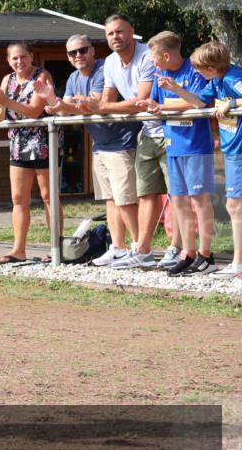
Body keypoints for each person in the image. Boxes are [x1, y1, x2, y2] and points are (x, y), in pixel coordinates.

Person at [81, 15, 178, 269]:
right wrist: (94, 105)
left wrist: (101, 106)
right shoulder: (111, 62)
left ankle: (178, 249)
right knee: (145, 194)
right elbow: (107, 100)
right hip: (147, 132)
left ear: (132, 31)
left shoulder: (148, 55)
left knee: (177, 194)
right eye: (110, 33)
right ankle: (142, 250)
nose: (115, 36)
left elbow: (139, 100)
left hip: (172, 129)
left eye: (120, 31)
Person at [38, 34, 140, 264]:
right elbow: (65, 110)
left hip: (122, 142)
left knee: (126, 200)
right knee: (111, 200)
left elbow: (91, 107)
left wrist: (59, 103)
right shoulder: (74, 77)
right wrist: (55, 104)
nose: (78, 56)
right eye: (72, 53)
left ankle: (139, 249)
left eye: (82, 50)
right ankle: (118, 247)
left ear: (93, 50)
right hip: (100, 145)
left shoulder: (104, 69)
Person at [134, 31, 217, 276]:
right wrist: (151, 107)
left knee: (199, 200)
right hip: (173, 145)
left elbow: (200, 103)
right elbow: (159, 106)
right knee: (179, 200)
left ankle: (206, 254)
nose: (152, 62)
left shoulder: (194, 70)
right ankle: (188, 253)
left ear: (167, 55)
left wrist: (169, 101)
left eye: (154, 57)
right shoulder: (161, 75)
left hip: (196, 146)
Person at [159, 40, 242, 278]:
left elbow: (235, 100)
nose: (195, 72)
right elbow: (199, 102)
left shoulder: (232, 77)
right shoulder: (216, 81)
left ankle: (237, 263)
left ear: (211, 66)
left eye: (199, 68)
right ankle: (236, 262)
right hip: (231, 148)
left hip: (238, 149)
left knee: (235, 206)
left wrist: (232, 103)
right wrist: (176, 89)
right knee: (233, 205)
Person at [0, 41, 61, 265]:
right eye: (14, 59)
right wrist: (0, 103)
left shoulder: (42, 75)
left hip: (43, 139)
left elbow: (34, 111)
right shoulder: (7, 80)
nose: (19, 62)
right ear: (8, 61)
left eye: (23, 57)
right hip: (18, 142)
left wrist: (6, 101)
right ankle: (18, 249)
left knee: (49, 197)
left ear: (30, 56)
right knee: (18, 198)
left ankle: (56, 248)